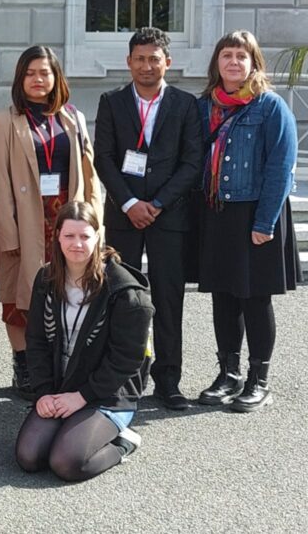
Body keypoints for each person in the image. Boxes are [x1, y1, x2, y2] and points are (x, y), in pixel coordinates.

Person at [92, 27, 203, 411]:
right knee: (122, 297)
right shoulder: (112, 101)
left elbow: (192, 162)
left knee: (168, 299)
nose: (146, 66)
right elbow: (103, 157)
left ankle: (168, 380)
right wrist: (129, 204)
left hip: (168, 216)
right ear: (128, 62)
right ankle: (122, 378)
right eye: (139, 58)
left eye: (153, 59)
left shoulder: (186, 105)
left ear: (167, 62)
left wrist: (155, 202)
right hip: (124, 218)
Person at [0, 45, 101, 401]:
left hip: (65, 218)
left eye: (45, 73)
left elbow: (88, 173)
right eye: (31, 73)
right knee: (19, 297)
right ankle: (24, 363)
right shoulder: (4, 122)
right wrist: (8, 233)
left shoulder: (73, 118)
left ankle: (59, 364)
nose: (39, 80)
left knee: (67, 292)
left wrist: (94, 221)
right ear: (21, 78)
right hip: (25, 220)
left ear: (56, 78)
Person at [195, 30, 298, 413]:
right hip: (217, 212)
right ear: (217, 63)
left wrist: (265, 222)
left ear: (254, 63)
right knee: (223, 297)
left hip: (255, 213)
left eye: (242, 56)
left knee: (255, 299)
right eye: (227, 56)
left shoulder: (270, 107)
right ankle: (229, 374)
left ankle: (259, 380)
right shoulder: (206, 106)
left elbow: (281, 168)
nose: (234, 63)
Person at [15, 201, 153, 482]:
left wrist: (82, 397)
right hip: (62, 387)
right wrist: (43, 393)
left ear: (98, 237)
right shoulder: (47, 278)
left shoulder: (126, 292)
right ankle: (72, 426)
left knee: (67, 463)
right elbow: (37, 340)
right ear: (57, 237)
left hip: (107, 394)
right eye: (69, 236)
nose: (77, 244)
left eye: (85, 236)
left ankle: (124, 442)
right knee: (29, 457)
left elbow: (126, 359)